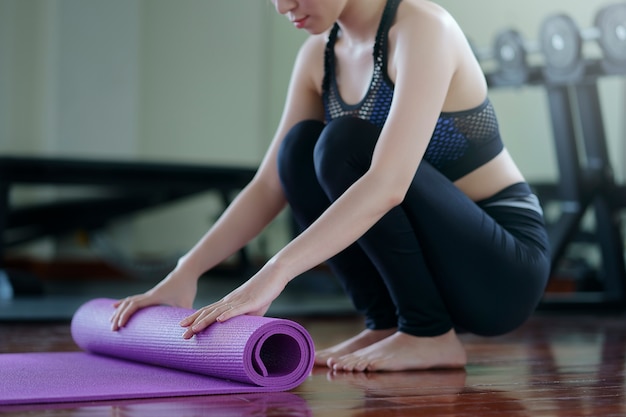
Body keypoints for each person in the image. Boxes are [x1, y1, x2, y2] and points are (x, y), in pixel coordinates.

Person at [111, 0, 551, 372]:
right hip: (442, 269)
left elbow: (389, 184)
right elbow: (271, 185)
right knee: (297, 150)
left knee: (344, 143)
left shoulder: (422, 28)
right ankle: (386, 321)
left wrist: (273, 273)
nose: (284, 6)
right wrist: (187, 271)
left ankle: (428, 333)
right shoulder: (317, 55)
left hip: (502, 271)